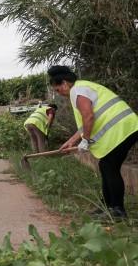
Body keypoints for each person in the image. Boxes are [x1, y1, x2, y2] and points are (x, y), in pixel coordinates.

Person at [49, 66, 138, 219]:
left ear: (64, 83)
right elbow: (86, 121)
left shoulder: (78, 90)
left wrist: (86, 140)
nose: (59, 94)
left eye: (58, 90)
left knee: (108, 166)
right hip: (126, 127)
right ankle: (107, 206)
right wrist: (71, 141)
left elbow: (88, 117)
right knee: (106, 166)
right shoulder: (83, 87)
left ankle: (117, 210)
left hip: (123, 128)